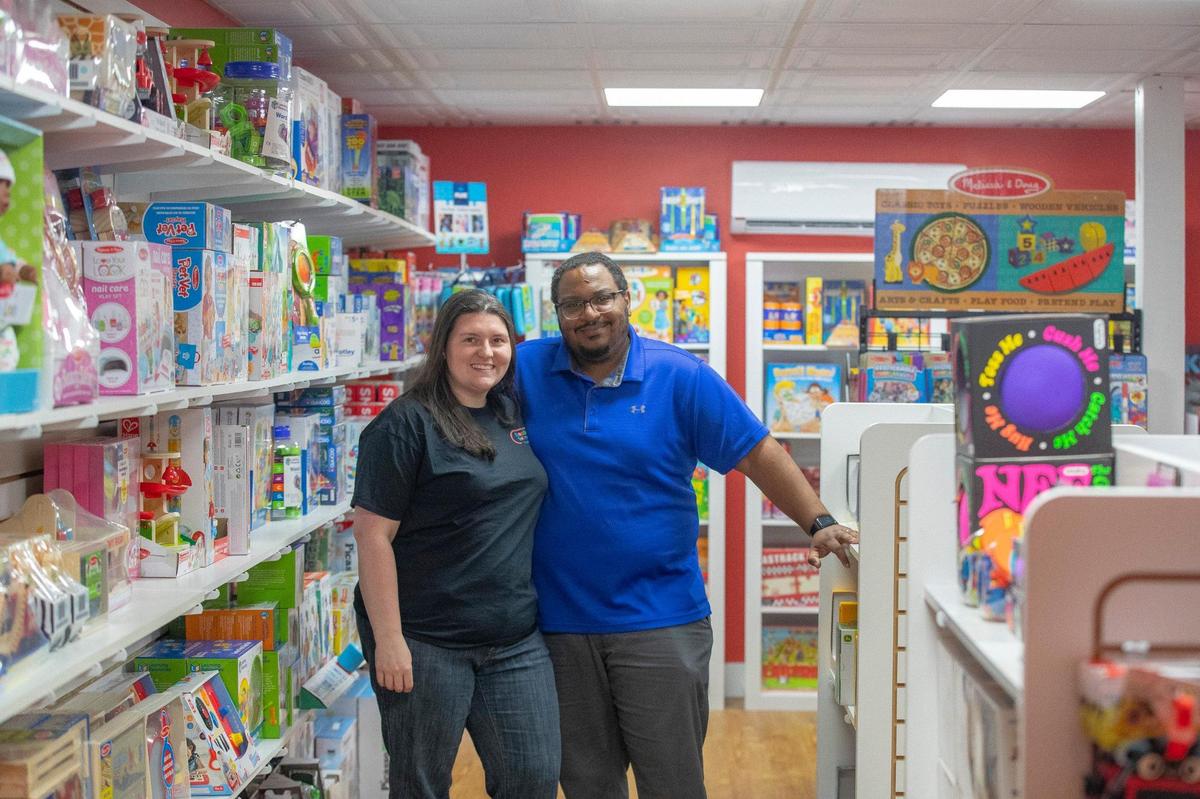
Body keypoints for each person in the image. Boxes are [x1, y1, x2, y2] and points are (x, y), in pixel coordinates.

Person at [517, 252, 859, 799]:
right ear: (556, 312)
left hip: (660, 619)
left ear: (627, 300)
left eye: (602, 297)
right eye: (573, 304)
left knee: (672, 783)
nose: (590, 313)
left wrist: (817, 521)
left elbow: (757, 452)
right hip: (557, 623)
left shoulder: (680, 376)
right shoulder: (525, 370)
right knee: (586, 784)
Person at [352, 289, 559, 799]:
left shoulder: (512, 414)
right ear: (443, 346)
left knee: (532, 778)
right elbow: (373, 537)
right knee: (422, 785)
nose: (485, 352)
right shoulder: (404, 424)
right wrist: (391, 641)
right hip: (426, 641)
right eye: (470, 339)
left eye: (497, 340)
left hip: (513, 639)